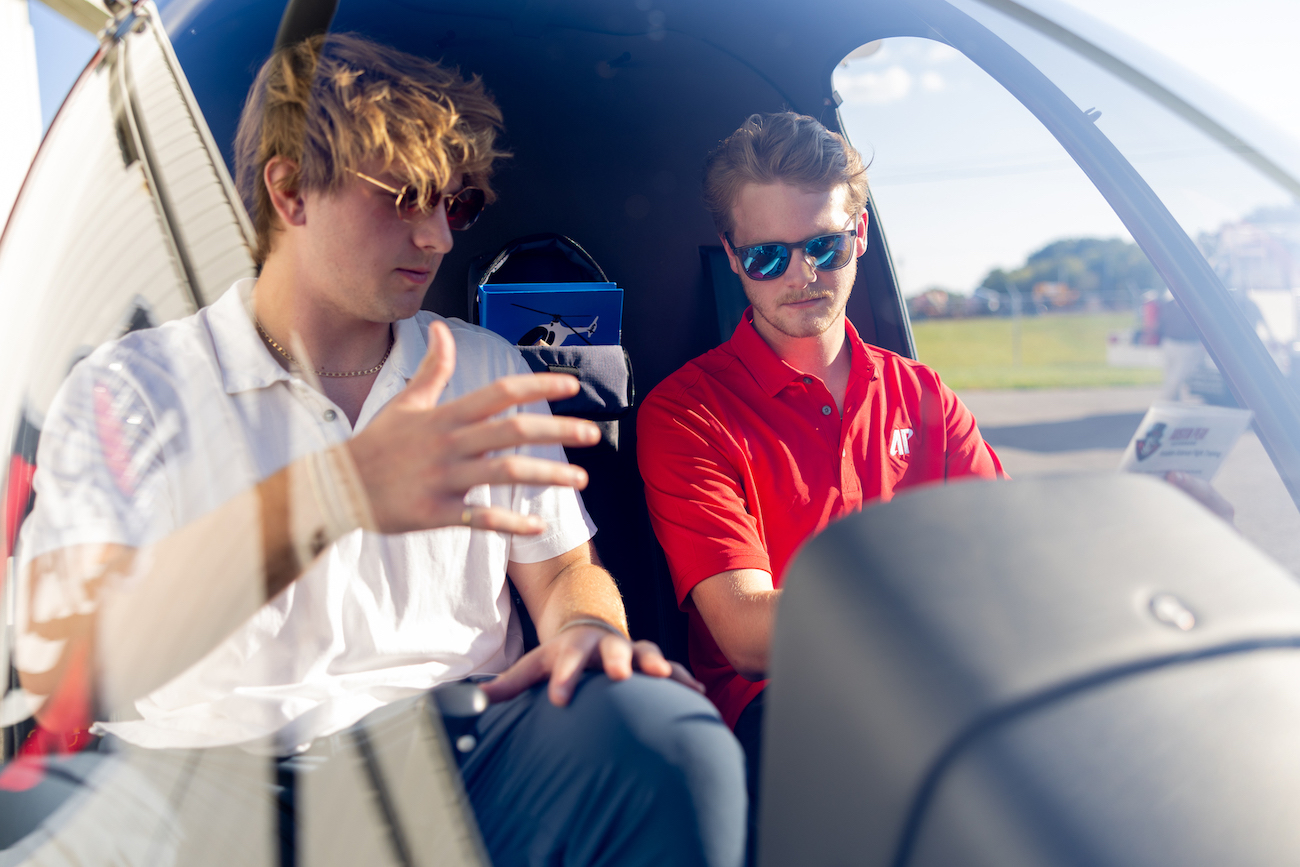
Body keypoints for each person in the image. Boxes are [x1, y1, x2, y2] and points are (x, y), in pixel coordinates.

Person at [14, 34, 744, 866]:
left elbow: (564, 570)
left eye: (455, 205)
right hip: (202, 773)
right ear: (288, 192)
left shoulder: (482, 364)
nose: (437, 238)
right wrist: (335, 493)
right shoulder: (131, 388)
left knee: (666, 734)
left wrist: (583, 628)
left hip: (458, 748)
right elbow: (65, 662)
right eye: (405, 197)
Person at [636, 112, 1005, 854]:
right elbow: (746, 633)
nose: (803, 276)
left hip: (935, 684)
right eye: (770, 256)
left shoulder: (923, 394)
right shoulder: (686, 414)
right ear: (734, 259)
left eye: (824, 247)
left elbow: (1006, 553)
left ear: (859, 235)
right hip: (782, 706)